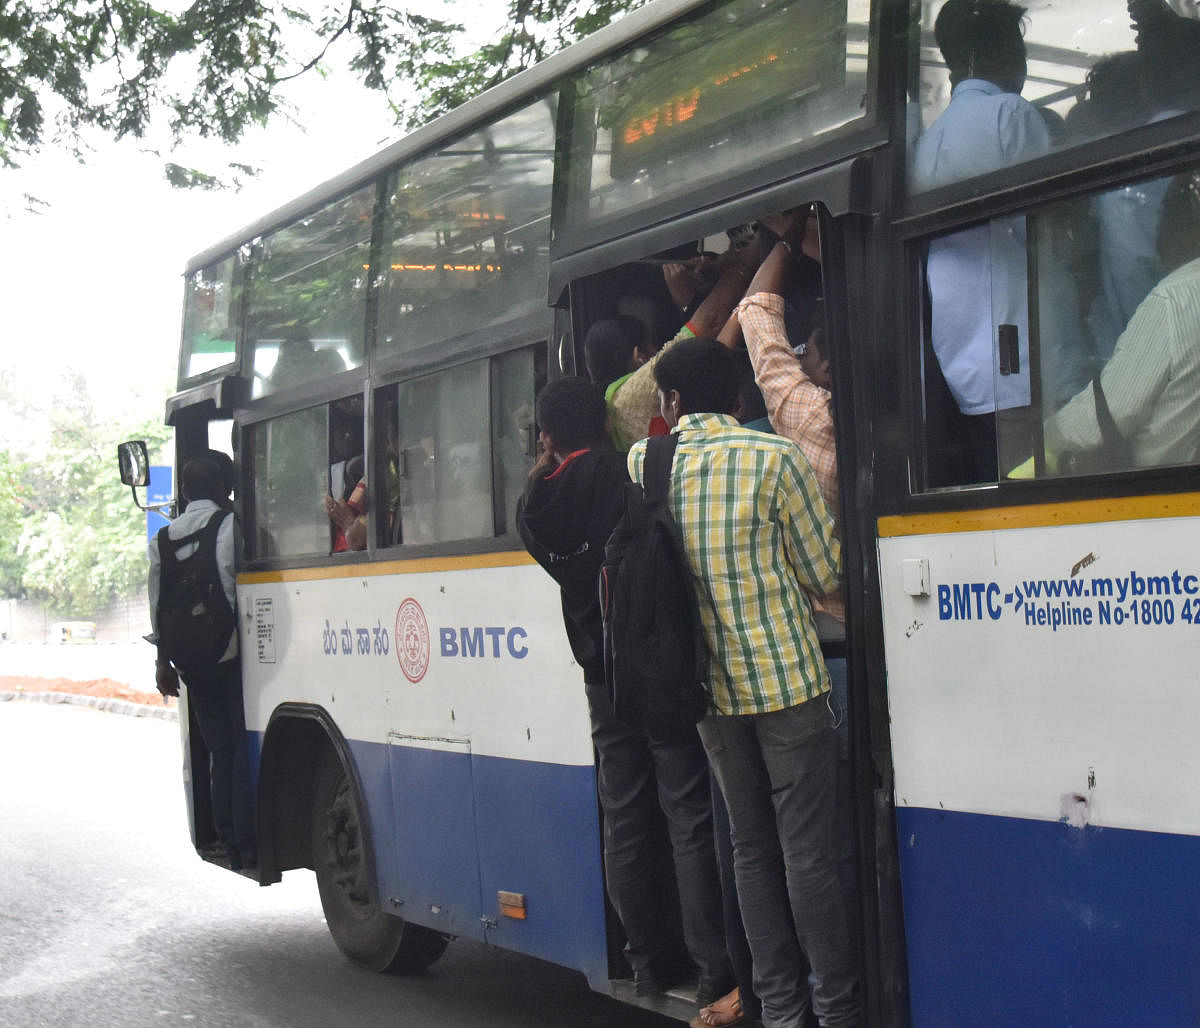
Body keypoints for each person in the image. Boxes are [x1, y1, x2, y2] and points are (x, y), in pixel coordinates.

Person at [631, 340, 858, 1027]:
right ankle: (839, 1012)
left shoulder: (647, 464)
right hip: (788, 683)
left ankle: (783, 1014)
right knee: (808, 857)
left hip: (707, 693)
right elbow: (825, 573)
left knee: (751, 851)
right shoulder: (774, 459)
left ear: (671, 405)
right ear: (739, 400)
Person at [517, 377, 733, 1006]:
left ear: (548, 438)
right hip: (655, 668)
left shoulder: (534, 507)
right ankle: (713, 967)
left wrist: (541, 468)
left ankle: (645, 964)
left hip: (600, 678)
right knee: (687, 813)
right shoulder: (627, 473)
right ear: (606, 424)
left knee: (625, 816)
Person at [912, 0, 1052, 479]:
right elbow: (1046, 233)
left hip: (964, 371)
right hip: (1026, 366)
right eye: (1019, 48)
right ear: (998, 51)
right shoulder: (1010, 115)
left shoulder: (926, 145)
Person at [1043, 170, 1200, 470]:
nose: (1157, 228)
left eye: (1164, 212)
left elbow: (1112, 411)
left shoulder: (1173, 300)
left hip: (1161, 491)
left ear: (1189, 221)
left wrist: (1044, 436)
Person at [149, 457, 255, 871]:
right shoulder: (230, 526)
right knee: (242, 743)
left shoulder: (161, 539)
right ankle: (247, 842)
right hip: (230, 653)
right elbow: (235, 587)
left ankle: (227, 838)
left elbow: (157, 606)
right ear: (223, 489)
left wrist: (163, 663)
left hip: (189, 659)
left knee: (218, 749)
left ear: (186, 492)